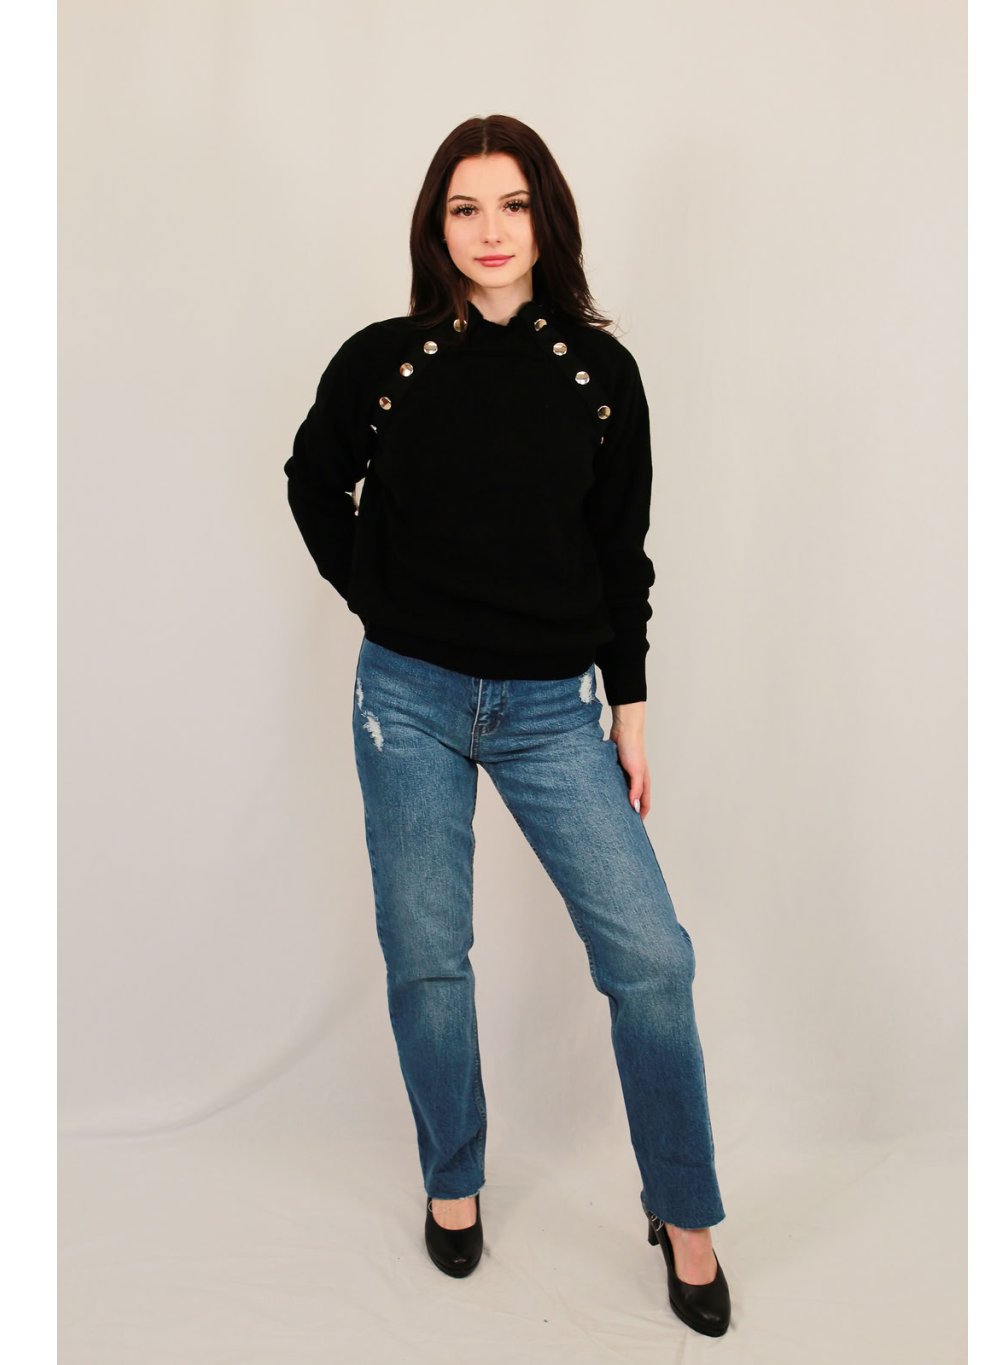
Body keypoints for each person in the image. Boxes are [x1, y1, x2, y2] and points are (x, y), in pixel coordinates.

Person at [283, 114, 731, 1337]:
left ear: (548, 220)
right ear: (436, 226)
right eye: (465, 208)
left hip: (550, 710)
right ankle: (453, 1177)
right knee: (428, 953)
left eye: (514, 205)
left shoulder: (598, 374)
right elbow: (312, 481)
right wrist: (381, 601)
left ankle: (683, 1210)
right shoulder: (385, 362)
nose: (491, 231)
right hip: (407, 702)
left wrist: (628, 710)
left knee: (651, 958)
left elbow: (620, 554)